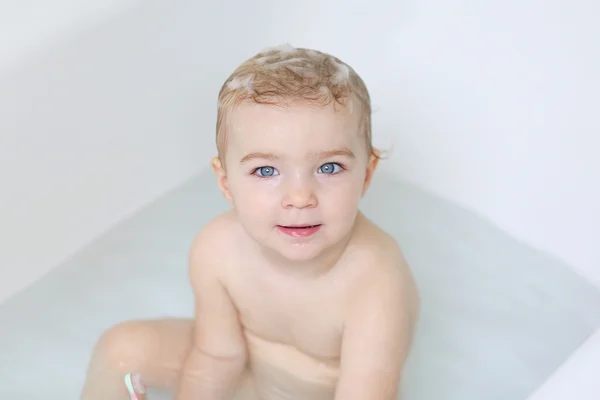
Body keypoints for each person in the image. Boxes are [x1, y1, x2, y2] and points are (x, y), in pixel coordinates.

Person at [80, 43, 420, 400]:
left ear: (366, 176)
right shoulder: (217, 249)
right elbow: (216, 356)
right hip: (247, 375)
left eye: (329, 167)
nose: (300, 197)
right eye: (266, 170)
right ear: (226, 182)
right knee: (123, 349)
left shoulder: (376, 280)